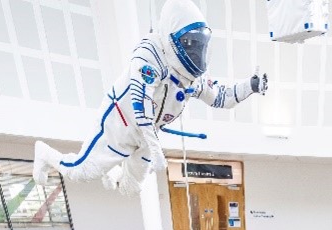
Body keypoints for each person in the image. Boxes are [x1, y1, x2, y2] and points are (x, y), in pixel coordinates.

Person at [34, 0, 268, 196]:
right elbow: (140, 106)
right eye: (189, 44)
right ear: (172, 38)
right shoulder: (150, 55)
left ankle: (112, 170)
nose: (195, 53)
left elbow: (221, 98)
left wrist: (251, 86)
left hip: (148, 135)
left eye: (199, 45)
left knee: (130, 188)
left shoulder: (192, 78)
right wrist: (156, 151)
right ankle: (45, 154)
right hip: (119, 125)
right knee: (81, 172)